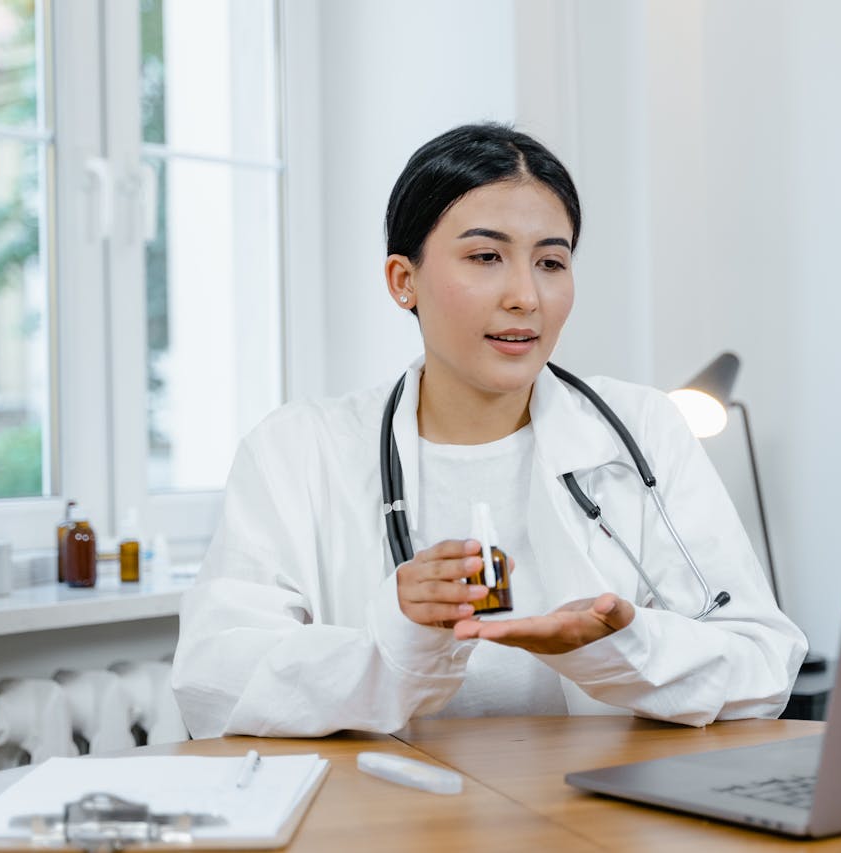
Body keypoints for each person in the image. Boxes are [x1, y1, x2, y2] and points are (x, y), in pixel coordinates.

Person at [172, 123, 806, 738]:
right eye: (485, 256)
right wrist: (400, 637)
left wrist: (619, 645)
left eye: (551, 262)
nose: (526, 296)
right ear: (403, 280)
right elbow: (215, 682)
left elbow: (763, 664)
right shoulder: (298, 451)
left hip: (594, 817)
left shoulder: (640, 429)